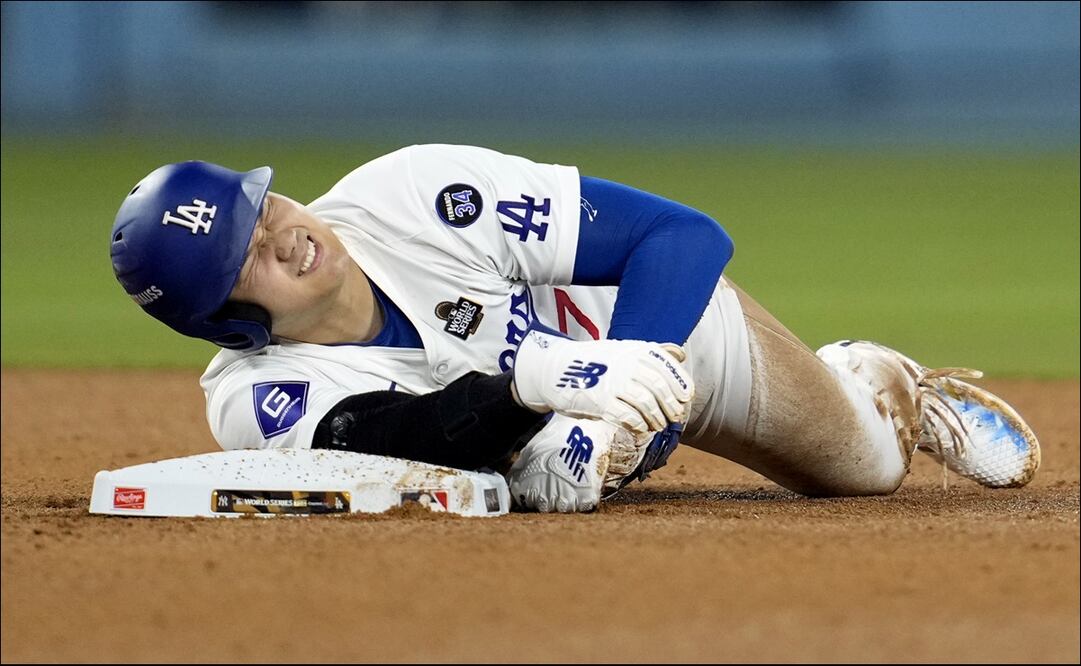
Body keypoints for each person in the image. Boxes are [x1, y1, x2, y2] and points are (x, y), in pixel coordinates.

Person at [109, 145, 1040, 513]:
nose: (288, 235)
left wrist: (618, 388)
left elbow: (681, 235)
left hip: (664, 335)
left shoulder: (412, 194)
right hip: (543, 420)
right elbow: (404, 438)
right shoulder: (252, 400)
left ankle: (870, 380)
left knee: (864, 474)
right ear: (230, 322)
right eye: (249, 256)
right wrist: (530, 394)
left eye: (262, 208)